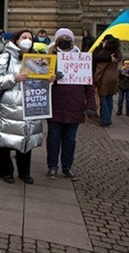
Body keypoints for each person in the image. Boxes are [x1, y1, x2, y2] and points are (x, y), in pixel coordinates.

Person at [0, 29, 43, 184]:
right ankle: (5, 171)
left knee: (28, 138)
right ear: (16, 40)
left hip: (30, 104)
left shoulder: (38, 59)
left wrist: (49, 79)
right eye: (24, 37)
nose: (27, 40)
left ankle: (24, 172)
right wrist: (14, 78)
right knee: (7, 139)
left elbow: (41, 81)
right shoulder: (5, 57)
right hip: (11, 104)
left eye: (30, 38)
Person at [46, 28, 96, 181]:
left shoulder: (82, 59)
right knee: (53, 137)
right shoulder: (50, 57)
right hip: (56, 104)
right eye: (62, 37)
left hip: (75, 106)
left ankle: (67, 166)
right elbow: (40, 81)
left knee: (70, 139)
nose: (65, 39)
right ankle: (52, 166)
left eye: (68, 37)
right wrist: (51, 79)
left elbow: (89, 85)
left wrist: (91, 105)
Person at [93, 35, 121, 127]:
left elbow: (100, 69)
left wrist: (96, 79)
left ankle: (105, 119)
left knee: (103, 98)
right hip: (114, 77)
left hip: (105, 78)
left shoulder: (104, 53)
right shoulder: (117, 52)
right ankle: (108, 117)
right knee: (109, 97)